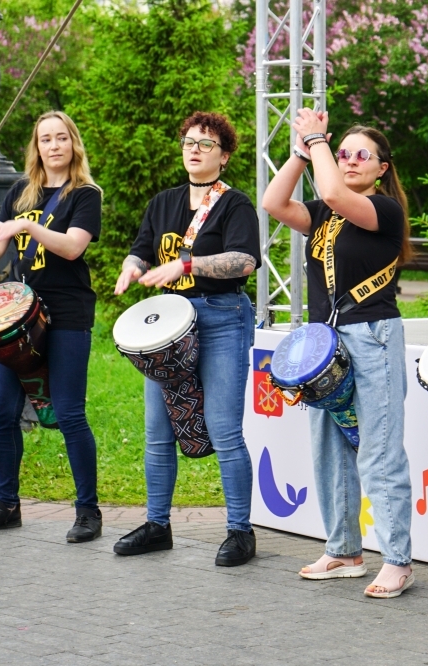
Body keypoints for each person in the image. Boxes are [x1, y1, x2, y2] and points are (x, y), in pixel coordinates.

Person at [261, 110, 415, 598]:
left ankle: (397, 560)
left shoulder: (383, 210)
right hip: (325, 344)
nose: (349, 160)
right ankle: (344, 550)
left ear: (382, 168)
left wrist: (318, 140)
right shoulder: (324, 214)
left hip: (372, 336)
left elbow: (332, 193)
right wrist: (300, 152)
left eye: (360, 154)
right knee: (329, 448)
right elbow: (273, 202)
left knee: (378, 450)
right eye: (342, 152)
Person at [113, 112, 260, 567]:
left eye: (206, 144)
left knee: (223, 428)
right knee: (158, 430)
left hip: (221, 317)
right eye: (189, 142)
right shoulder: (163, 202)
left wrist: (188, 265)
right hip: (169, 326)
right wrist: (131, 268)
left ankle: (240, 531)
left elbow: (244, 261)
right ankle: (157, 525)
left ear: (224, 156)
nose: (194, 149)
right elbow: (141, 249)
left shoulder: (234, 204)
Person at [0, 111, 104, 543]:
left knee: (70, 413)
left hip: (67, 314)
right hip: (20, 317)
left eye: (61, 138)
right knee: (2, 413)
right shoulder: (21, 192)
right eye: (45, 139)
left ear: (73, 144)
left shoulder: (85, 195)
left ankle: (88, 511)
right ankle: (7, 505)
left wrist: (26, 225)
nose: (54, 146)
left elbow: (73, 247)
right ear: (36, 147)